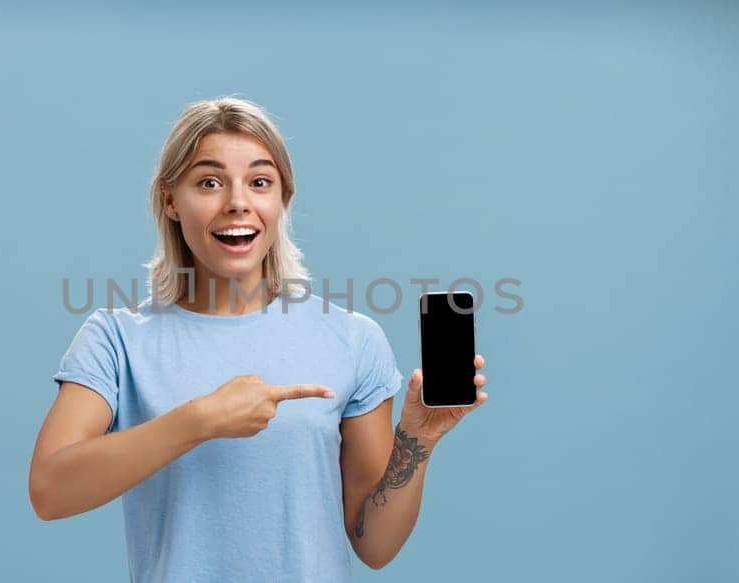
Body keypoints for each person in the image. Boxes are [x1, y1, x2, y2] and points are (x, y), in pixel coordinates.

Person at [29, 97, 489, 582]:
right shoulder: (116, 340)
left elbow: (373, 544)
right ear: (170, 200)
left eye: (260, 182)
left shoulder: (352, 340)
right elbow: (49, 490)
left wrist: (417, 440)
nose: (237, 202)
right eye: (209, 182)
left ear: (282, 199)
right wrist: (200, 419)